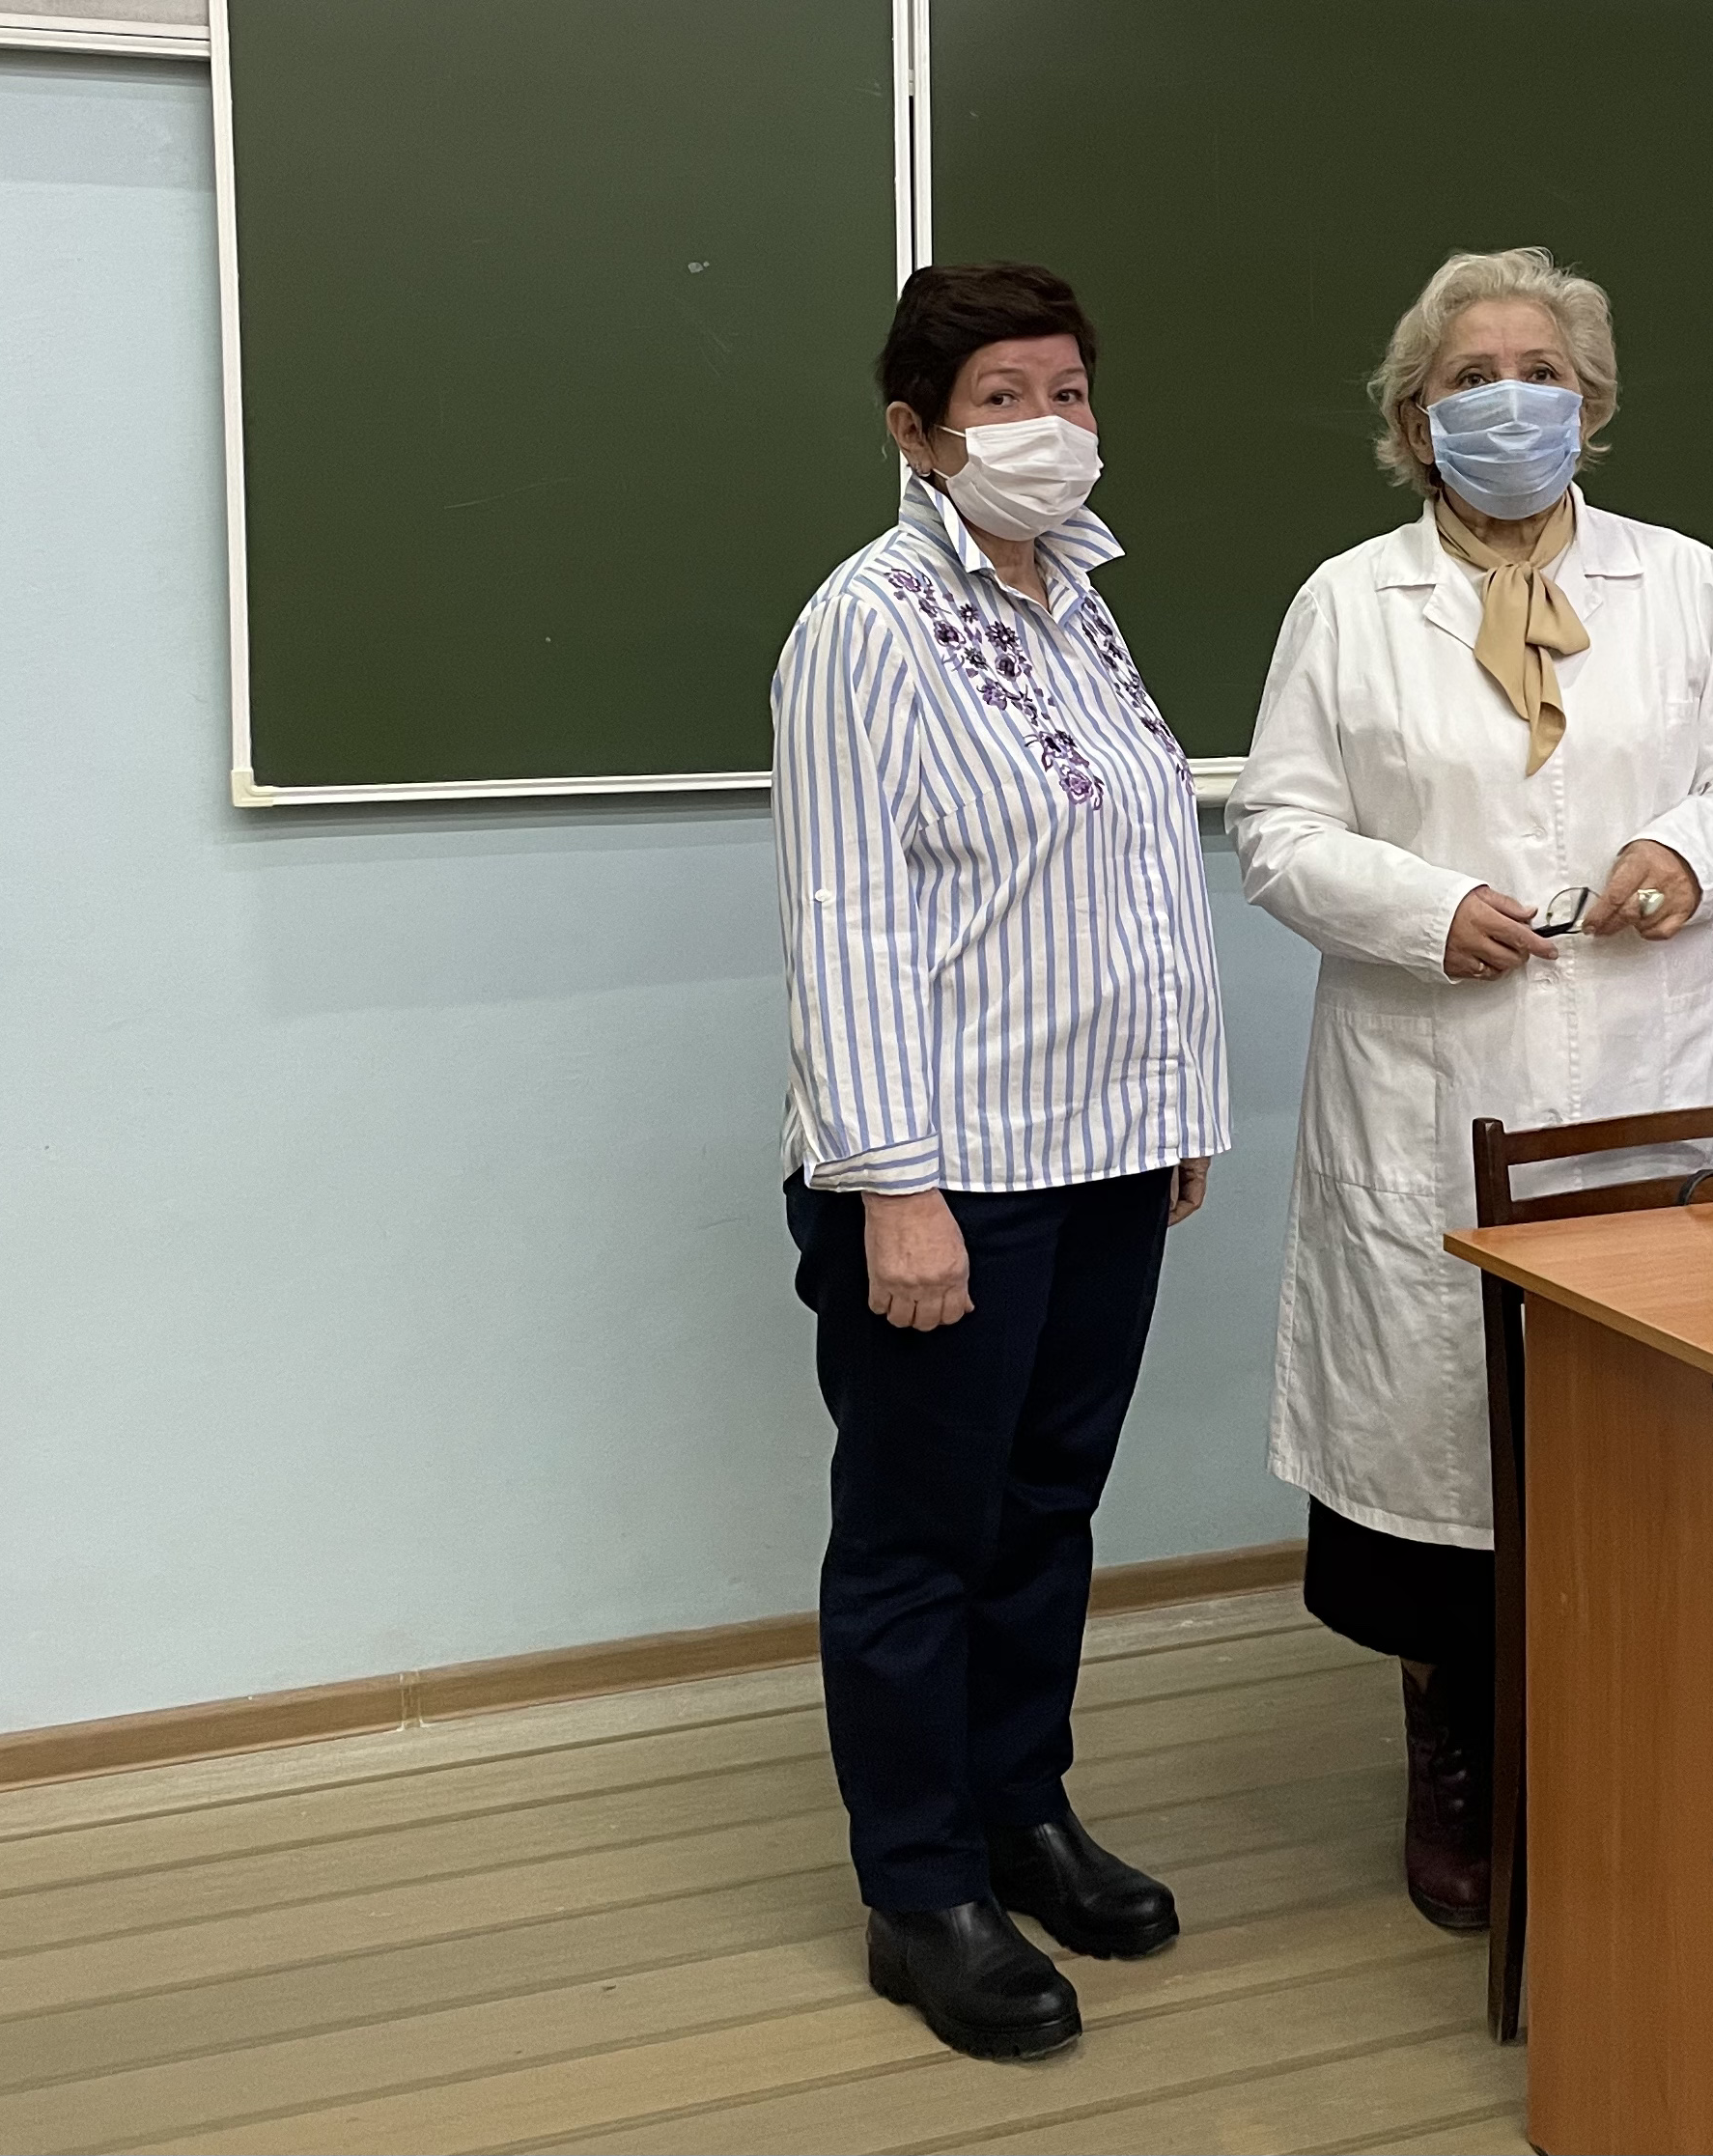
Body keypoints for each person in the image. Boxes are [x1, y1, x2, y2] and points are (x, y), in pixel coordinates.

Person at [1226, 246, 1713, 1929]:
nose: (1510, 399)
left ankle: (1622, 1735)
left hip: (1642, 1069)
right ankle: (1456, 1748)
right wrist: (1424, 909)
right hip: (1432, 1071)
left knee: (1641, 1434)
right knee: (1442, 1431)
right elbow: (1277, 830)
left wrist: (1685, 851)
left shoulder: (1680, 582)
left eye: (1539, 369)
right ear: (1416, 422)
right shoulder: (1351, 603)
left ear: (1591, 403)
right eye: (1469, 376)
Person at [772, 261, 1228, 2061]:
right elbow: (848, 918)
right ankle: (918, 1887)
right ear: (917, 430)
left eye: (1071, 392)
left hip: (1105, 1149)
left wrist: (1175, 1108)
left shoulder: (1080, 603)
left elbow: (1132, 870)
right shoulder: (867, 624)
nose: (1051, 427)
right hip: (946, 1175)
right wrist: (895, 1184)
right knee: (918, 1536)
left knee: (1046, 1508)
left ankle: (1019, 1811)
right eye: (1005, 398)